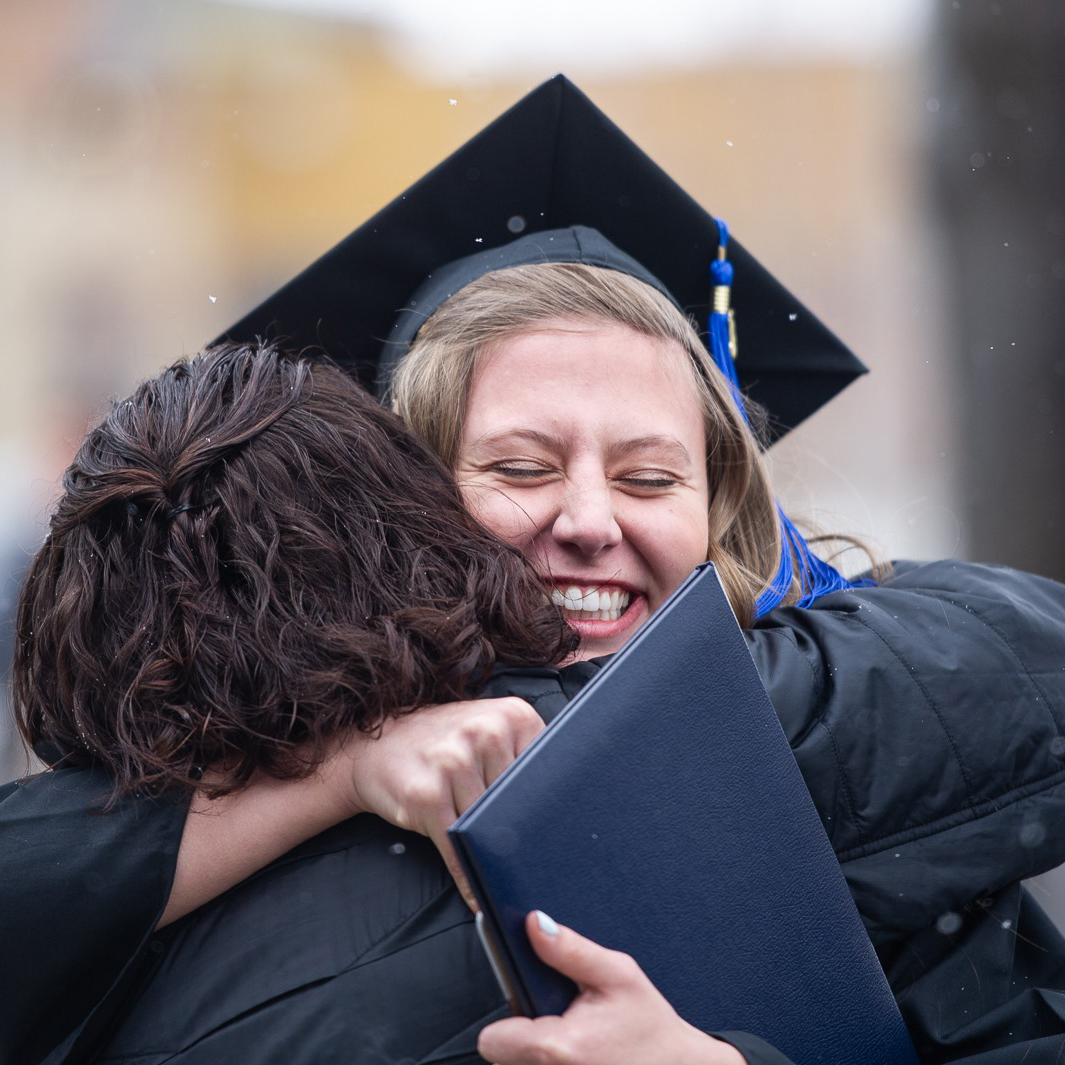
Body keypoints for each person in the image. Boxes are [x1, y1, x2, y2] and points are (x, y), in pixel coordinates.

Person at [5, 74, 1065, 1065]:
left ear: (722, 507)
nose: (591, 521)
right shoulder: (206, 819)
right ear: (405, 493)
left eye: (652, 478)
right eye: (521, 467)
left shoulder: (877, 817)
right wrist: (333, 768)